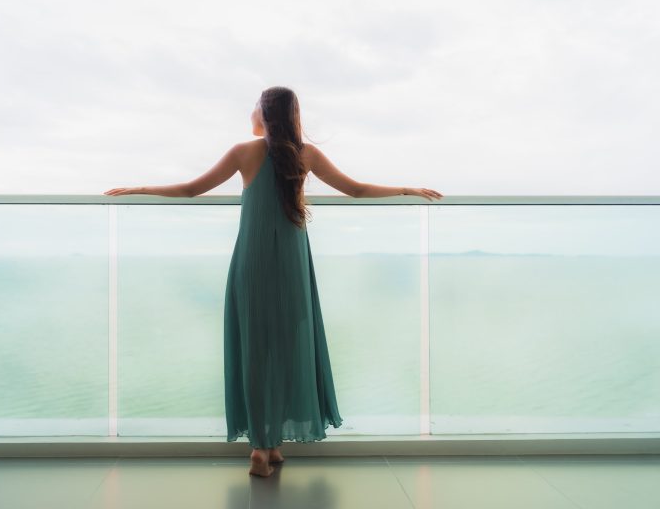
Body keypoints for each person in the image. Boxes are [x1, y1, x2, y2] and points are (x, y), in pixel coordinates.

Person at [104, 86, 443, 477]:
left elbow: (191, 189)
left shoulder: (242, 152)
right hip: (292, 264)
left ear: (265, 113)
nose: (250, 112)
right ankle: (271, 443)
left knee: (254, 350)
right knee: (287, 347)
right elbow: (356, 189)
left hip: (252, 261)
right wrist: (406, 189)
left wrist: (140, 188)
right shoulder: (306, 154)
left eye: (254, 106)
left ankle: (262, 447)